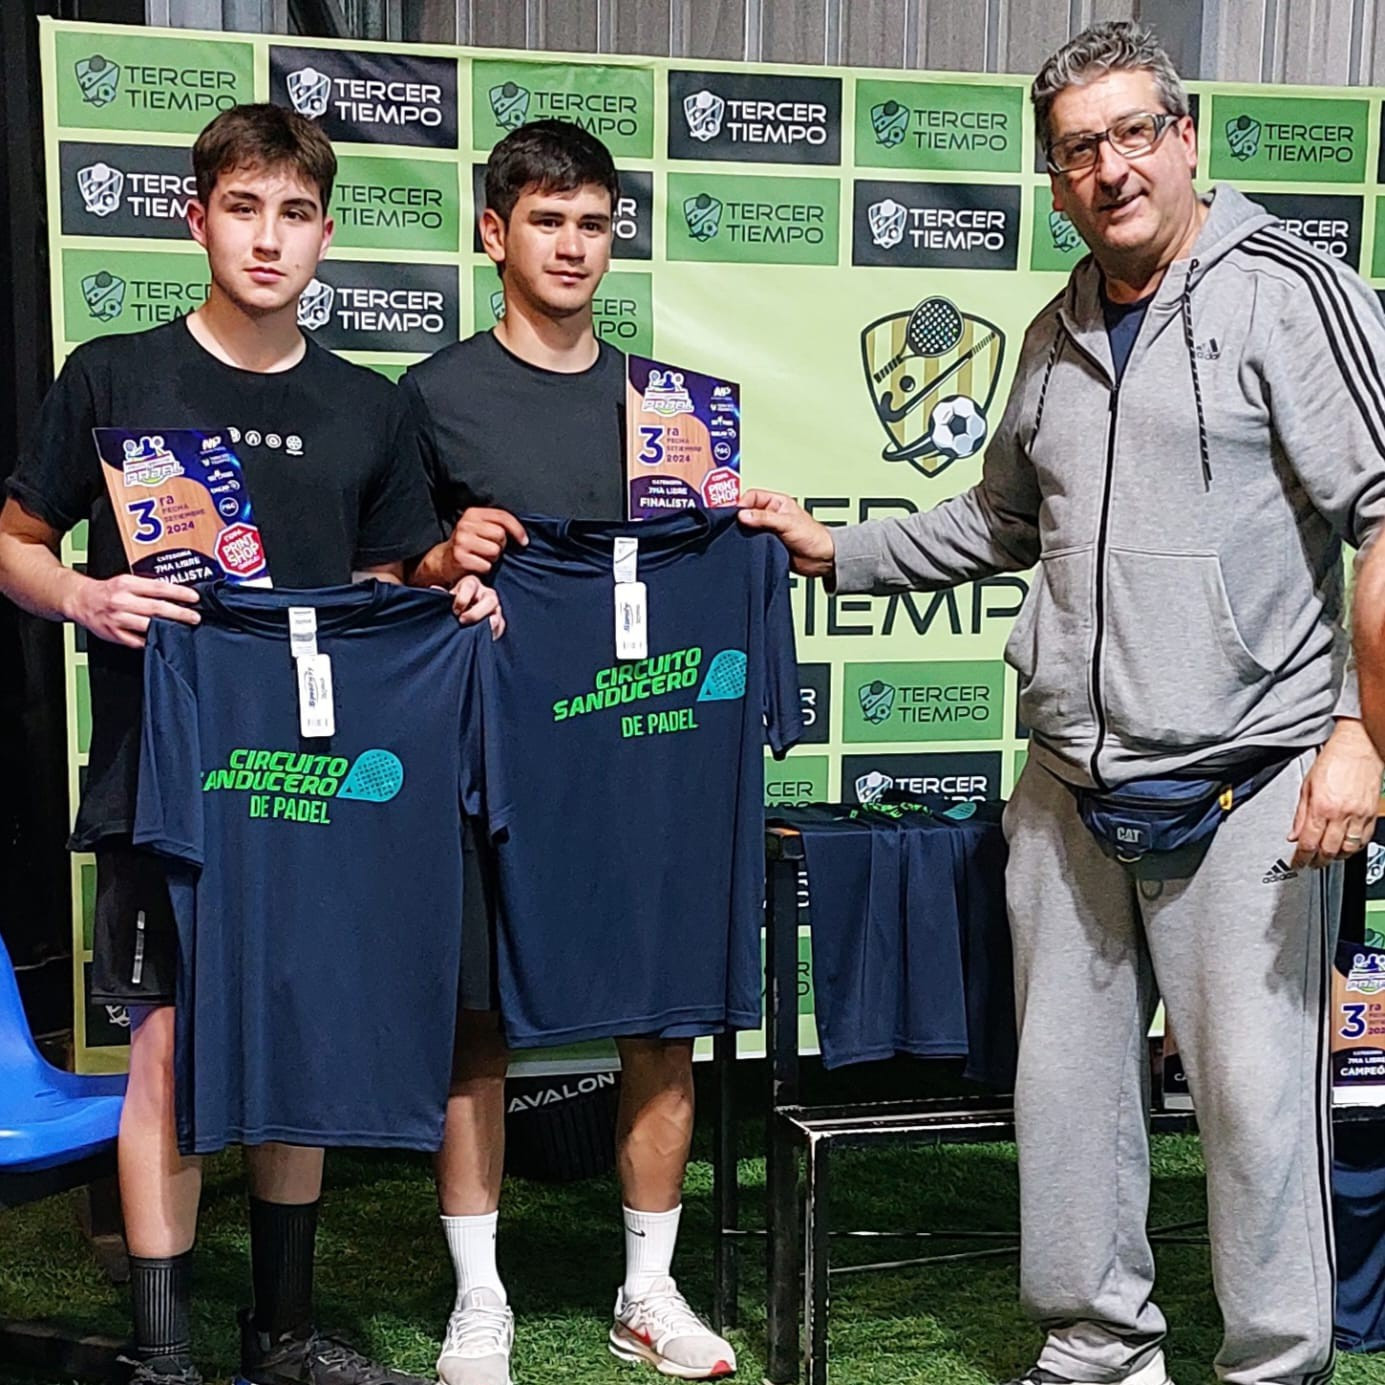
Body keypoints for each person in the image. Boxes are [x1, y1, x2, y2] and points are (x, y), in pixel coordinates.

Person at [740, 20, 1385, 1385]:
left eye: (1131, 134)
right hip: (1068, 790)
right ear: (1052, 176)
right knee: (1068, 1099)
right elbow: (999, 521)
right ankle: (1097, 1341)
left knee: (1256, 1108)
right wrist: (833, 549)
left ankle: (1275, 1364)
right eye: (1077, 149)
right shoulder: (1055, 327)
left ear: (1185, 136)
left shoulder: (1287, 291)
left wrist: (1361, 735)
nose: (1109, 169)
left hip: (1249, 779)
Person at [0, 104, 495, 1385]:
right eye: (242, 208)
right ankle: (162, 1352)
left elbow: (387, 576)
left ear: (324, 234)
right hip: (162, 775)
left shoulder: (367, 406)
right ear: (195, 218)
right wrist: (85, 594)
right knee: (165, 1042)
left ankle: (280, 1333)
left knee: (299, 1028)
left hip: (317, 776)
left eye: (294, 213)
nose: (268, 238)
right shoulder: (114, 374)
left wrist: (450, 593)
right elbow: (14, 542)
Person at [402, 120, 736, 1385]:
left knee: (662, 1016)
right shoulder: (429, 397)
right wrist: (443, 564)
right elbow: (388, 574)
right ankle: (478, 1297)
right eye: (546, 220)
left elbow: (708, 566)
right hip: (492, 748)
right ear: (493, 233)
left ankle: (646, 1290)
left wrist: (753, 523)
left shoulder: (671, 407)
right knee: (475, 1023)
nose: (572, 245)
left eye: (592, 223)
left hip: (644, 751)